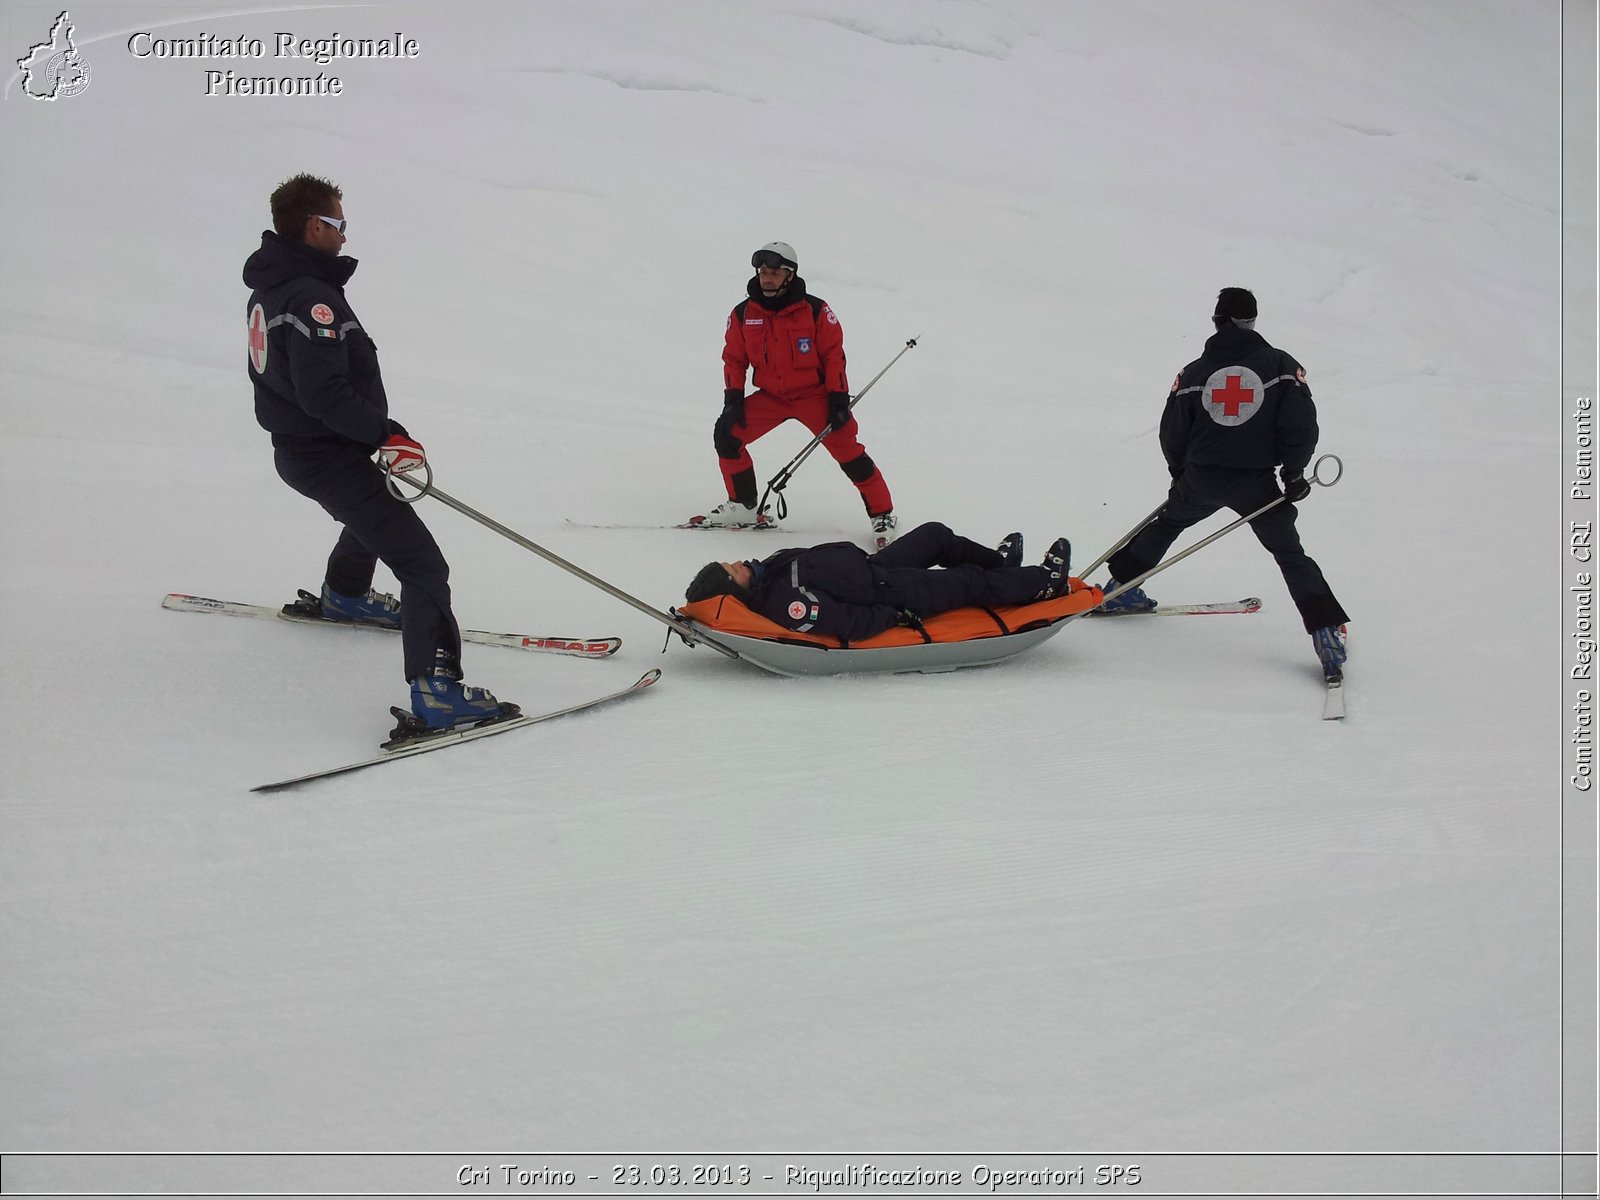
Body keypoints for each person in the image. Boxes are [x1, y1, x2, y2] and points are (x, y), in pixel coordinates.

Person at [243, 172, 514, 731]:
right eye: (339, 224)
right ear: (314, 226)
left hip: (308, 450)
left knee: (374, 509)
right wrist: (383, 433)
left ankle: (346, 594)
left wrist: (370, 434)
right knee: (422, 564)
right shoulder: (310, 296)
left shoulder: (274, 285)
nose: (346, 236)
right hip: (325, 451)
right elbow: (322, 393)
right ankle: (437, 691)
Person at [1100, 287, 1350, 675]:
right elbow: (1299, 424)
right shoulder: (1282, 366)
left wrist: (1180, 474)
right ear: (1251, 322)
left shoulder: (1194, 373)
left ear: (1217, 321)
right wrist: (1295, 473)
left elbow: (1172, 431)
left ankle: (1117, 589)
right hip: (1255, 484)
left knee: (1168, 523)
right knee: (1289, 553)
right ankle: (1326, 632)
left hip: (1200, 476)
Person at [700, 242, 898, 546]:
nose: (766, 278)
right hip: (772, 397)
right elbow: (734, 359)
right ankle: (744, 506)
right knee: (727, 434)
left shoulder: (816, 311)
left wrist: (838, 399)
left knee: (849, 452)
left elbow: (834, 356)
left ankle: (883, 514)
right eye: (763, 272)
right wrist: (733, 399)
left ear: (789, 275)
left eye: (774, 273)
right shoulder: (743, 314)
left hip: (814, 396)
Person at [684, 522, 1072, 645]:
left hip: (872, 567)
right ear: (737, 590)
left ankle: (1002, 565)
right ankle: (1043, 584)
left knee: (935, 535)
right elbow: (846, 622)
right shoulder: (786, 605)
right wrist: (892, 615)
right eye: (733, 570)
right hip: (887, 592)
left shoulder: (766, 571)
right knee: (965, 582)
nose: (738, 562)